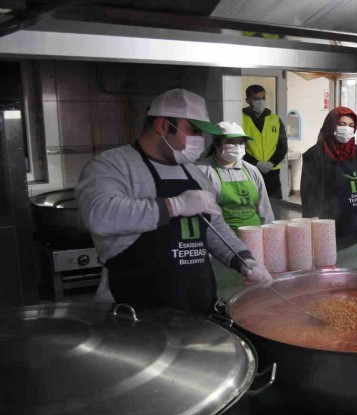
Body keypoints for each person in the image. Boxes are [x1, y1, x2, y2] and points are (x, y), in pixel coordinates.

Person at [76, 88, 272, 315]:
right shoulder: (112, 165)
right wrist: (174, 206)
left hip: (196, 301)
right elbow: (99, 215)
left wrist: (243, 259)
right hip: (133, 311)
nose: (200, 140)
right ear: (162, 126)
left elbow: (213, 226)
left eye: (202, 133)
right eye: (193, 131)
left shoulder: (193, 172)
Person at [301, 106, 357, 236]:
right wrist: (312, 219)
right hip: (332, 225)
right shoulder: (315, 155)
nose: (347, 129)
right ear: (331, 125)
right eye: (341, 124)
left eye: (351, 125)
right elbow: (308, 191)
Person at [196, 121, 275, 231]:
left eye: (241, 143)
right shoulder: (203, 171)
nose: (237, 147)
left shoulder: (252, 170)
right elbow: (201, 213)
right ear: (217, 144)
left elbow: (264, 208)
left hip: (254, 234)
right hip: (222, 235)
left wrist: (269, 233)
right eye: (231, 142)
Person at [241, 84, 288, 199]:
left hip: (272, 173)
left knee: (275, 205)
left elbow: (282, 146)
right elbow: (239, 147)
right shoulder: (240, 119)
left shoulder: (275, 120)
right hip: (249, 171)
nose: (261, 102)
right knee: (252, 203)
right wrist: (256, 163)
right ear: (247, 100)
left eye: (263, 98)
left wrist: (271, 163)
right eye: (256, 99)